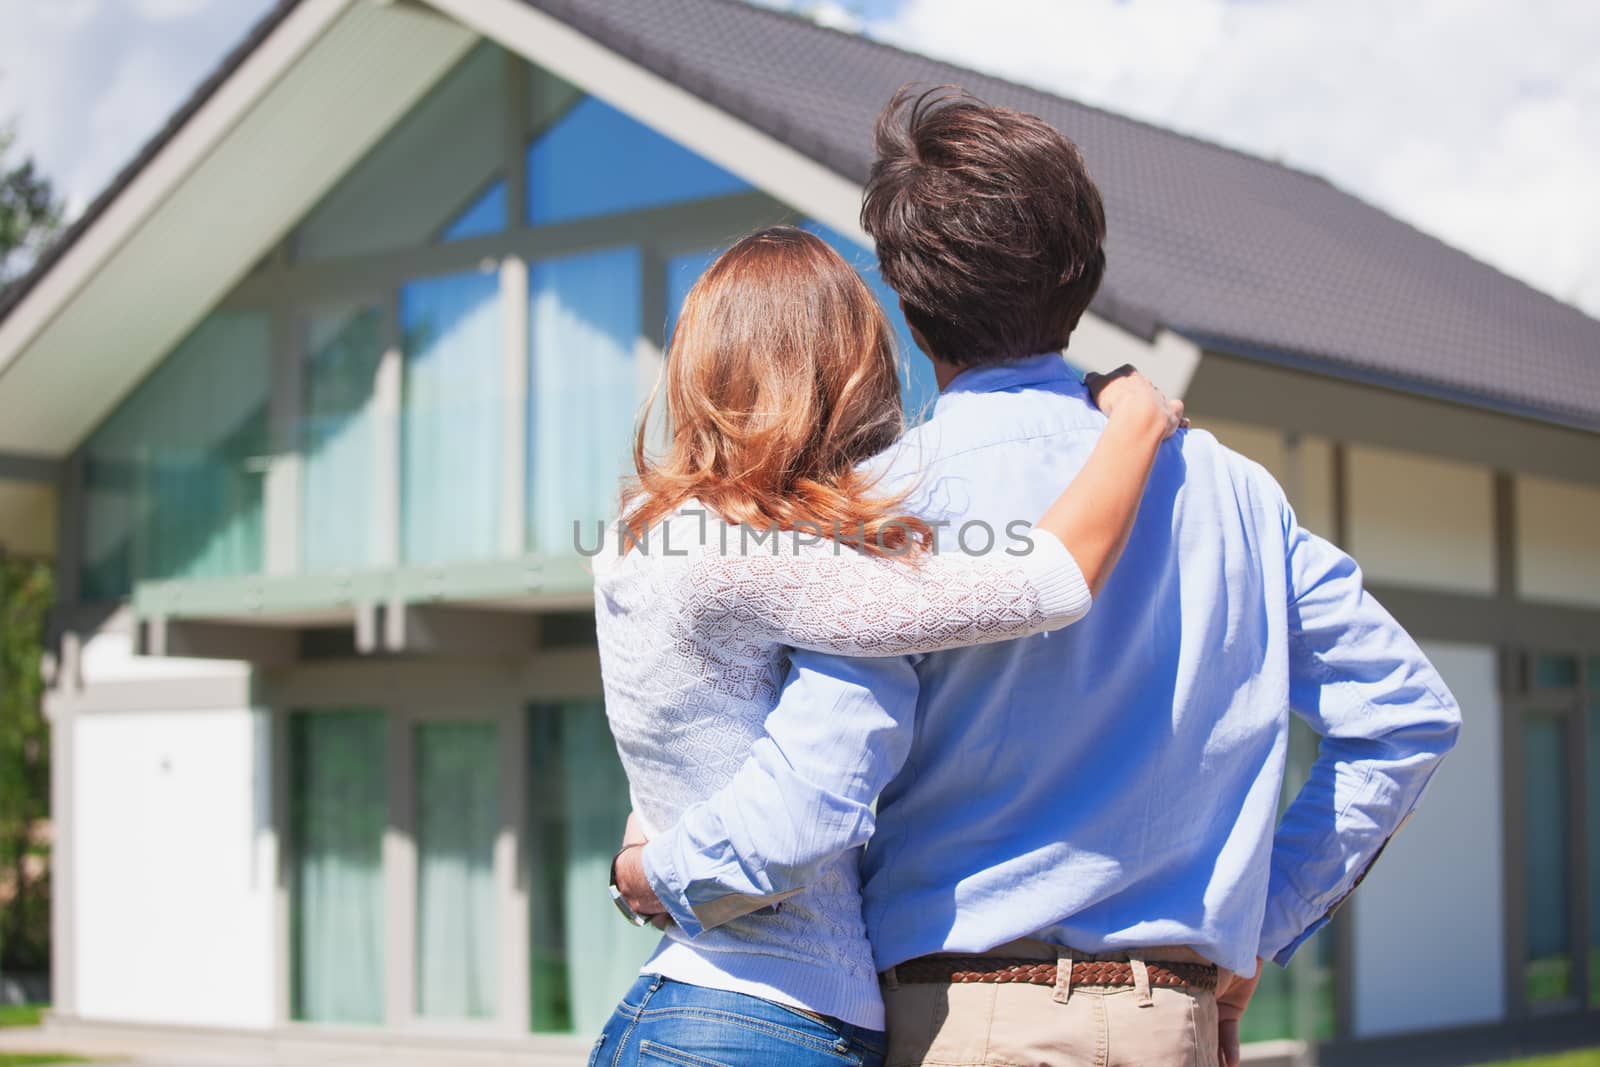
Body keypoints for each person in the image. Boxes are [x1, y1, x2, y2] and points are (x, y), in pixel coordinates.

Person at [615, 88, 1462, 1067]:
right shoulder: (1236, 494)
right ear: (1082, 272)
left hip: (961, 1023)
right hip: (1172, 1020)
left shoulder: (869, 510)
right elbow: (1403, 714)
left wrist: (653, 873)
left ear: (904, 290)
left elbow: (816, 781)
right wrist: (1254, 930)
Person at [588, 225, 1184, 1067]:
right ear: (843, 374)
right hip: (760, 1020)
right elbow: (1047, 580)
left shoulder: (642, 540)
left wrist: (639, 870)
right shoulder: (753, 556)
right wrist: (1136, 421)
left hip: (688, 1009)